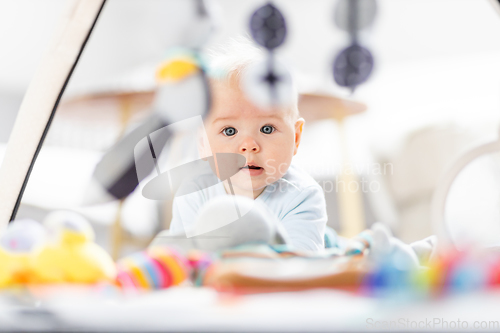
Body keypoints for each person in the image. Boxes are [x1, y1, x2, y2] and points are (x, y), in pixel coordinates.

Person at [168, 37, 327, 251]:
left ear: (296, 138)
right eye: (229, 131)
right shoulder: (194, 192)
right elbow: (182, 260)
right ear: (203, 142)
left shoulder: (302, 196)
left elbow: (298, 266)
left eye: (267, 129)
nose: (249, 146)